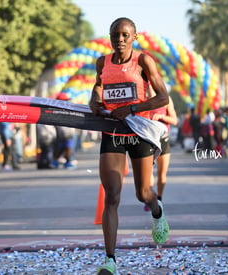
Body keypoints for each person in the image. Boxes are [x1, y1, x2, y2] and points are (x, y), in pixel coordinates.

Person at [89, 17, 170, 275]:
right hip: (113, 131)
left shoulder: (144, 61)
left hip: (139, 131)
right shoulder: (102, 62)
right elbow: (98, 86)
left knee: (142, 193)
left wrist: (132, 108)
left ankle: (157, 211)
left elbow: (163, 97)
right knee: (111, 195)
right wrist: (94, 101)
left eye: (125, 35)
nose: (120, 40)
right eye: (115, 35)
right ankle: (110, 260)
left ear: (134, 37)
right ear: (110, 37)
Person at [145, 87, 178, 209]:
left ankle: (159, 198)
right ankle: (150, 197)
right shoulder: (142, 100)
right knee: (148, 172)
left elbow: (174, 120)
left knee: (161, 173)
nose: (149, 87)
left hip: (163, 140)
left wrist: (161, 117)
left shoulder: (166, 99)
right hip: (148, 140)